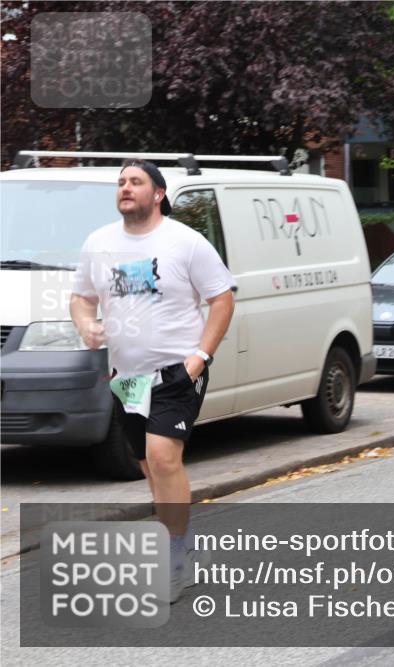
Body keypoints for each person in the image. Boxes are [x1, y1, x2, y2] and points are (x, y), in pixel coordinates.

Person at [70, 160, 235, 602]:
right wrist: (86, 325)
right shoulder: (99, 242)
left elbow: (222, 299)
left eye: (135, 182)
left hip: (176, 372)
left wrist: (200, 357)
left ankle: (174, 559)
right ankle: (186, 543)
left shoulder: (185, 242)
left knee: (163, 458)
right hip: (126, 378)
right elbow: (81, 298)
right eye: (121, 182)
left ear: (158, 193)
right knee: (149, 466)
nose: (125, 188)